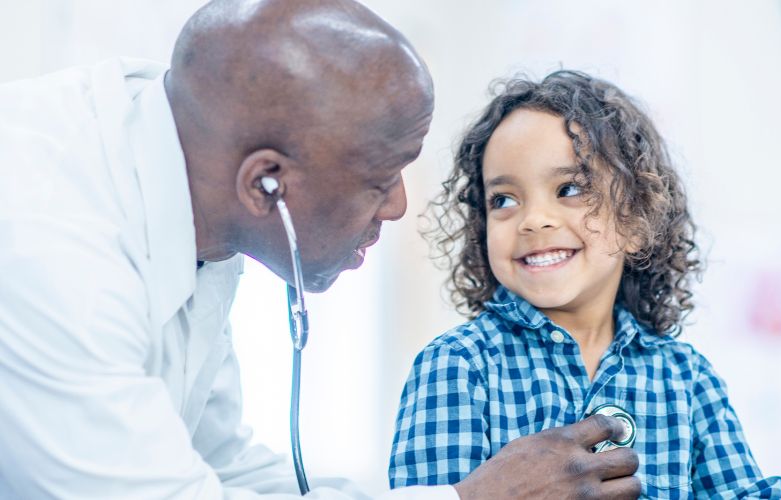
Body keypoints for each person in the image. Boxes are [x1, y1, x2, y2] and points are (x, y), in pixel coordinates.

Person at [0, 1, 640, 498]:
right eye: (378, 179)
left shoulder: (192, 189)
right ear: (265, 183)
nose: (398, 206)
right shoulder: (52, 251)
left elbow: (220, 465)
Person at [389, 71, 781, 498]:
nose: (533, 219)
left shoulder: (687, 379)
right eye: (503, 200)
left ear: (636, 222)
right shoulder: (457, 366)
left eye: (570, 189)